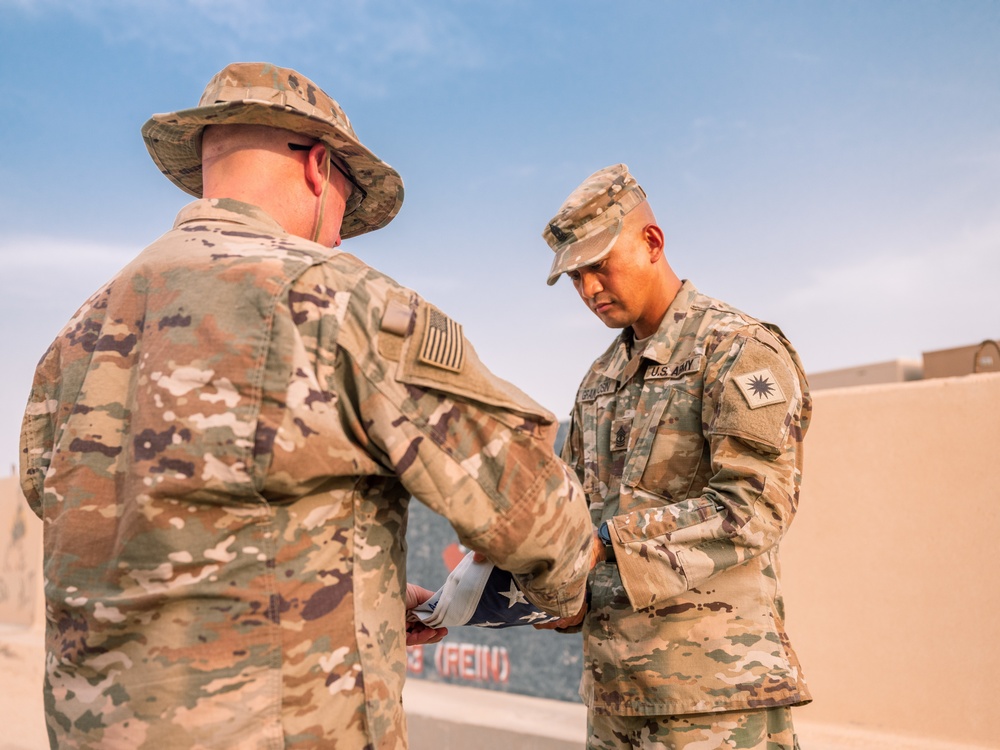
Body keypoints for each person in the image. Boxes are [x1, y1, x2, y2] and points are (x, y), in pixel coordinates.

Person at [19, 62, 596, 749]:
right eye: (347, 208)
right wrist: (566, 594)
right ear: (320, 167)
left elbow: (88, 516)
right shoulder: (340, 303)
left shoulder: (78, 335)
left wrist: (365, 603)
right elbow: (531, 507)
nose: (341, 237)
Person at [538, 164, 813, 750]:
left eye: (598, 266)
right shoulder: (599, 381)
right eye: (574, 277)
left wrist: (606, 544)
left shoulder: (737, 349)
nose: (588, 290)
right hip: (616, 696)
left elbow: (755, 504)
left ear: (652, 242)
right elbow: (571, 516)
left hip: (716, 698)